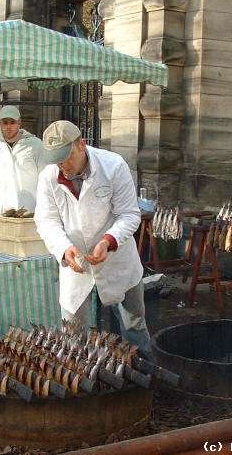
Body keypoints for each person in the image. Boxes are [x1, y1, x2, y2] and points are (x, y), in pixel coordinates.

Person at [34, 120, 152, 357]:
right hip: (75, 263)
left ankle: (146, 379)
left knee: (134, 326)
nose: (63, 164)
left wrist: (108, 241)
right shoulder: (49, 177)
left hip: (117, 259)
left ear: (82, 144)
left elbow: (129, 215)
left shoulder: (114, 166)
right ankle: (80, 387)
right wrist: (65, 249)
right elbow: (46, 220)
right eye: (57, 158)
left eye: (67, 156)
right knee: (73, 334)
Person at [0, 105, 50, 228]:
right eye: (5, 123)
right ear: (0, 124)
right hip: (1, 211)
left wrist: (44, 208)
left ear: (19, 123)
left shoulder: (36, 145)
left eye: (12, 122)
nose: (8, 127)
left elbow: (45, 178)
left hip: (28, 210)